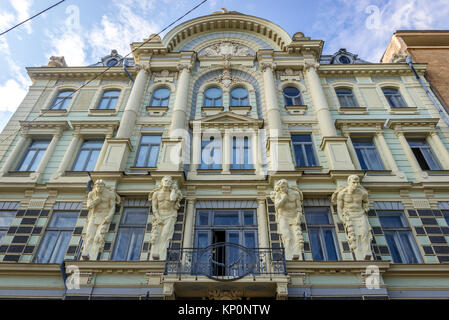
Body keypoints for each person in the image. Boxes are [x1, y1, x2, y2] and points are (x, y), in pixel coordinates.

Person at [333, 175, 373, 260]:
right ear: (349, 182)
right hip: (350, 216)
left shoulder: (362, 193)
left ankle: (366, 253)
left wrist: (366, 206)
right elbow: (339, 208)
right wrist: (342, 218)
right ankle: (359, 256)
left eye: (357, 183)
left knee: (364, 233)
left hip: (360, 214)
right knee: (354, 236)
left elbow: (366, 201)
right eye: (353, 182)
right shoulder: (342, 194)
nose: (355, 185)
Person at [82, 180, 120, 260]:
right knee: (89, 236)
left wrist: (109, 217)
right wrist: (96, 201)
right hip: (94, 216)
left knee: (98, 237)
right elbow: (89, 206)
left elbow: (112, 206)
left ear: (104, 186)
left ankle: (93, 255)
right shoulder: (92, 194)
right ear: (95, 186)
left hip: (104, 217)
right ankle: (86, 253)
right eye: (97, 186)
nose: (99, 188)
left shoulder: (110, 194)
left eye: (100, 186)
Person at [149, 176, 183, 260]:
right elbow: (154, 207)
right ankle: (155, 255)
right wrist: (157, 216)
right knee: (156, 236)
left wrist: (173, 190)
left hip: (170, 215)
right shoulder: (156, 193)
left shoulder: (173, 192)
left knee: (165, 235)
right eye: (165, 181)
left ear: (171, 183)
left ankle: (162, 255)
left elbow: (172, 199)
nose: (167, 182)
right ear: (162, 182)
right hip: (160, 215)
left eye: (169, 181)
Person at [270, 179, 304, 260]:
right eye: (280, 187)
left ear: (287, 186)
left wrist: (298, 217)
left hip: (293, 217)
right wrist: (284, 198)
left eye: (283, 187)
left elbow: (299, 208)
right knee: (287, 236)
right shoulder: (278, 194)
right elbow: (277, 206)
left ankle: (296, 255)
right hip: (283, 217)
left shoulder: (295, 194)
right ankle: (289, 255)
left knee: (296, 237)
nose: (282, 189)